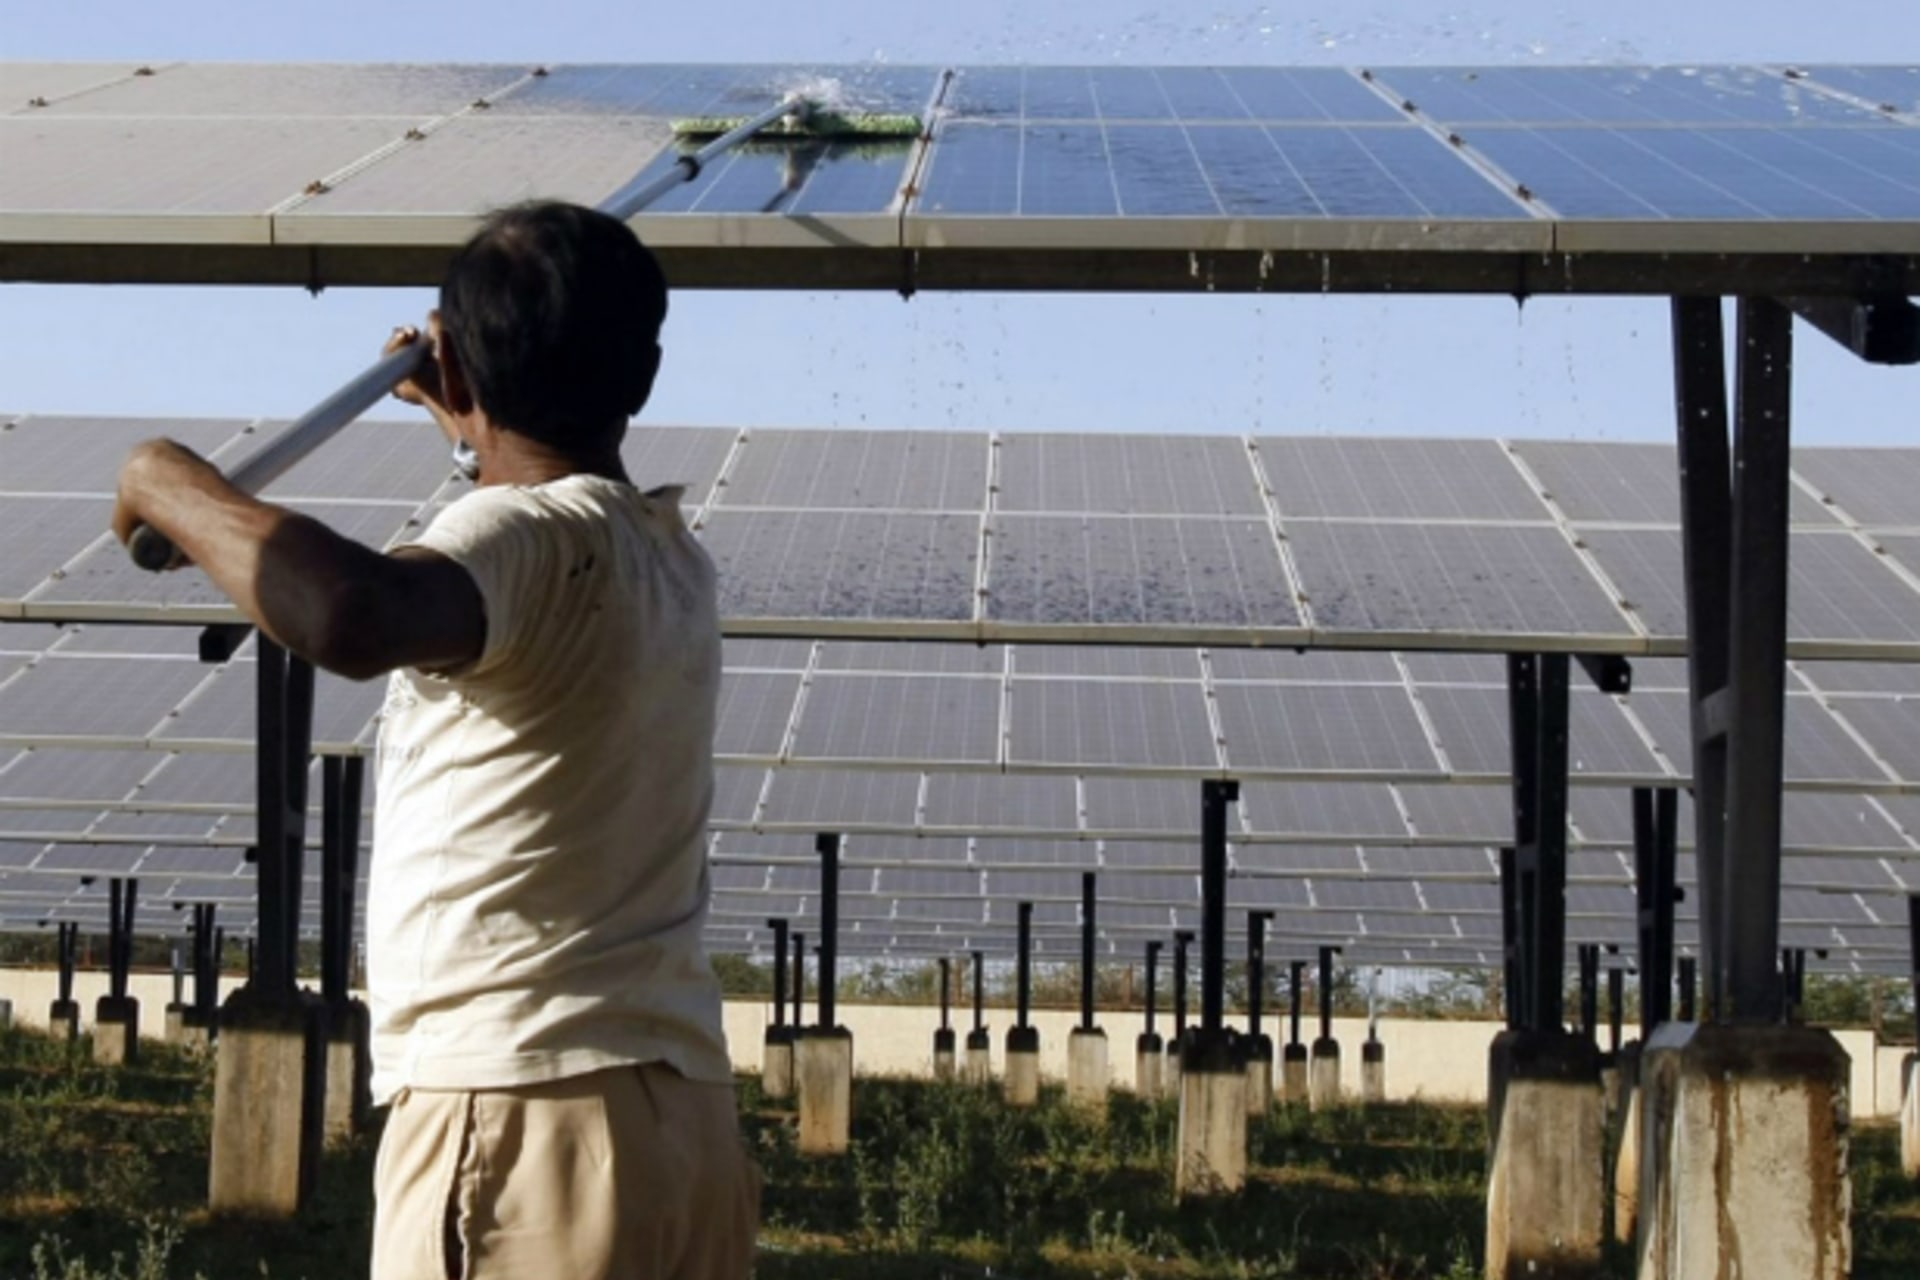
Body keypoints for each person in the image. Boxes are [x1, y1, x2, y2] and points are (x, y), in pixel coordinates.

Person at [112, 201, 758, 1280]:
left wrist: (171, 483)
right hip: (676, 1122)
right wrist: (472, 428)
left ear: (453, 359)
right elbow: (530, 528)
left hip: (520, 1114)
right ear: (644, 376)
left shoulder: (524, 541)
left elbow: (352, 614)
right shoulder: (666, 557)